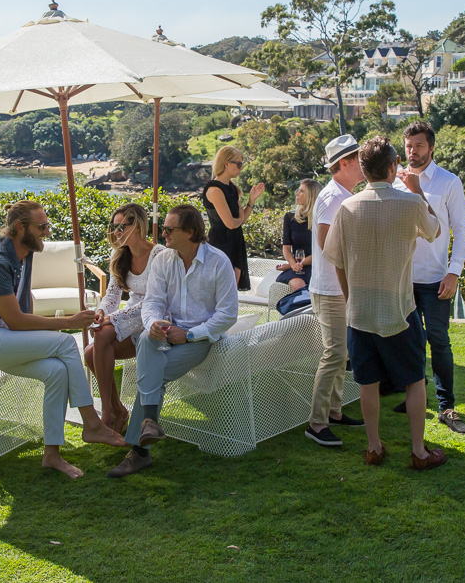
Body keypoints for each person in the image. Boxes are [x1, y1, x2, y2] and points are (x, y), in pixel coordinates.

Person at [0, 201, 126, 479]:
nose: (47, 232)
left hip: (1, 336)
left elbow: (22, 305)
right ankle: (92, 422)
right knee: (65, 343)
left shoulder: (25, 253)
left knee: (55, 372)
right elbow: (17, 320)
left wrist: (40, 333)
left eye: (47, 225)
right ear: (20, 228)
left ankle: (51, 455)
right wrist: (67, 322)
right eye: (41, 226)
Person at [322, 135, 447, 470]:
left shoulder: (348, 207)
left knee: (367, 381)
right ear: (393, 166)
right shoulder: (410, 203)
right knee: (415, 379)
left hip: (360, 311)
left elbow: (336, 259)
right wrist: (418, 191)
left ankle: (374, 447)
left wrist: (351, 300)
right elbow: (435, 231)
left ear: (363, 170)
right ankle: (419, 451)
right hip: (399, 309)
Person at [107, 203, 240, 477]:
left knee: (152, 371)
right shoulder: (164, 260)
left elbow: (228, 315)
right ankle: (149, 427)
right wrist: (152, 323)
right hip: (167, 332)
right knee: (145, 339)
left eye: (169, 229)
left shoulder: (218, 262)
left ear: (190, 231)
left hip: (202, 339)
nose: (163, 234)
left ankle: (140, 449)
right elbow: (152, 302)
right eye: (164, 228)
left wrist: (190, 334)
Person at [393, 120, 465, 435]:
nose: (412, 153)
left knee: (438, 341)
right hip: (402, 278)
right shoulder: (394, 181)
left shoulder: (448, 182)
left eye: (419, 146)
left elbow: (461, 231)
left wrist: (454, 272)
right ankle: (416, 396)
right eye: (409, 146)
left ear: (432, 147)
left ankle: (446, 406)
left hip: (437, 278)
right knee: (407, 341)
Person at [305, 136, 367, 447]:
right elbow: (327, 246)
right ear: (343, 163)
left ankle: (335, 411)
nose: (362, 165)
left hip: (339, 288)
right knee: (334, 354)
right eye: (358, 159)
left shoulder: (342, 194)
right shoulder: (332, 198)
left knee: (342, 352)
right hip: (330, 290)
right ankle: (316, 423)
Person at [85, 202, 165, 435]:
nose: (116, 232)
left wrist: (114, 319)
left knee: (102, 334)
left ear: (138, 226)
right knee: (90, 353)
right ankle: (118, 409)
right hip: (130, 314)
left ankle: (107, 412)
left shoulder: (159, 254)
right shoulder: (120, 255)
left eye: (121, 227)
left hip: (154, 315)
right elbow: (111, 296)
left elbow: (156, 299)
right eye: (114, 226)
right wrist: (102, 312)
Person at [202, 145, 264, 290]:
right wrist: (239, 219)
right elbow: (230, 223)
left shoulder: (232, 188)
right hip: (220, 245)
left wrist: (251, 201)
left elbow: (239, 220)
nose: (240, 168)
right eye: (238, 164)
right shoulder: (214, 189)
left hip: (236, 242)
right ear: (226, 163)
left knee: (232, 292)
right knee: (221, 292)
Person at [276, 179, 322, 293]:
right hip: (297, 268)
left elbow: (321, 250)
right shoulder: (290, 217)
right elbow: (286, 248)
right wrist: (293, 264)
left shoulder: (321, 218)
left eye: (301, 191)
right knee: (297, 284)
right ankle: (297, 311)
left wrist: (296, 264)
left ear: (311, 196)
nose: (296, 194)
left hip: (317, 266)